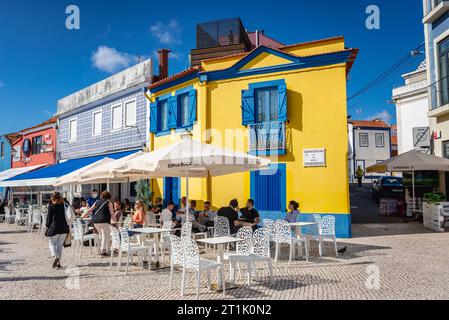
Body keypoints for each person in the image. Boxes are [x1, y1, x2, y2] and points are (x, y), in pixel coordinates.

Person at [82, 191, 116, 256]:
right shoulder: (109, 203)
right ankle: (103, 251)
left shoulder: (96, 202)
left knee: (101, 235)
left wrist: (83, 216)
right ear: (109, 196)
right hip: (104, 221)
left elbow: (89, 210)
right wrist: (116, 222)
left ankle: (100, 249)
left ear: (102, 195)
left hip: (96, 221)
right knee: (104, 236)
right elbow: (112, 213)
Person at [45, 192, 70, 269]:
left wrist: (47, 226)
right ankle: (58, 263)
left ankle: (55, 256)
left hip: (55, 227)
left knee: (52, 243)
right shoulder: (64, 205)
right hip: (64, 228)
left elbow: (49, 219)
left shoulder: (51, 206)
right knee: (59, 246)